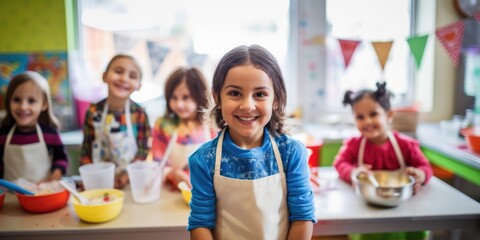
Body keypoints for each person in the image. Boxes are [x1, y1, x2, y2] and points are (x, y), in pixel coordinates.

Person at [187, 45, 316, 240]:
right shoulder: (204, 159)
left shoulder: (291, 153)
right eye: (235, 93)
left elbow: (302, 216)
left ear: (276, 99)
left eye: (260, 94)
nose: (247, 105)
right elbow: (200, 223)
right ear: (217, 98)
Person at [334, 82, 433, 240]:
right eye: (360, 117)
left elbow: (425, 166)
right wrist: (353, 171)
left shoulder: (405, 145)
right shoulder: (354, 144)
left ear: (389, 115)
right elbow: (339, 163)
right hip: (365, 210)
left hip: (404, 211)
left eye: (373, 114)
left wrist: (420, 174)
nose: (367, 121)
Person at [80, 53, 151, 189]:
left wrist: (127, 175)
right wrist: (89, 176)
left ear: (139, 86)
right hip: (98, 183)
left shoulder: (139, 114)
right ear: (104, 76)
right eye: (118, 71)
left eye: (132, 76)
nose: (124, 78)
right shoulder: (93, 111)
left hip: (129, 183)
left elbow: (143, 150)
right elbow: (86, 149)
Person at [150, 67, 216, 189]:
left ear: (200, 96)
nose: (179, 104)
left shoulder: (211, 126)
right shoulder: (163, 125)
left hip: (205, 191)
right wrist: (172, 173)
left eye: (185, 97)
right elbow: (158, 162)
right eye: (174, 98)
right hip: (171, 190)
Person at [0, 71, 68, 182]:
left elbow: (61, 159)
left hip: (43, 194)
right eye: (17, 100)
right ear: (9, 102)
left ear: (44, 104)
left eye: (31, 101)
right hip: (11, 196)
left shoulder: (50, 134)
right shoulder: (3, 135)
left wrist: (56, 173)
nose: (23, 107)